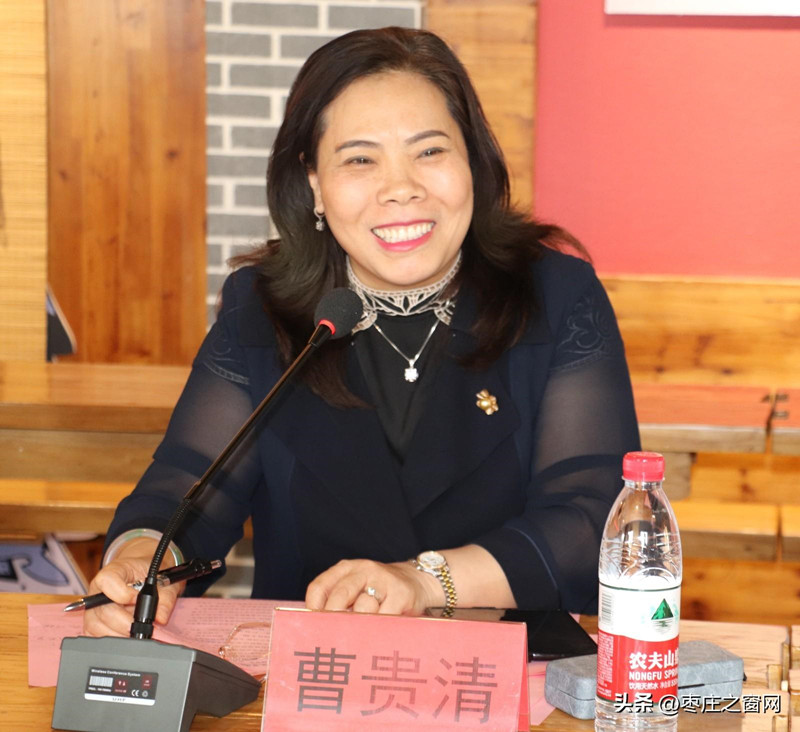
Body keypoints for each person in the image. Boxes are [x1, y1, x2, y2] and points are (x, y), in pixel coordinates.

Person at [84, 26, 640, 638]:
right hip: (312, 669)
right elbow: (187, 486)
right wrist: (141, 560)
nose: (400, 188)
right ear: (315, 185)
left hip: (508, 669)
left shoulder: (555, 294)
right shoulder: (262, 307)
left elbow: (594, 521)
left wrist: (425, 582)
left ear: (473, 163)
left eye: (430, 152)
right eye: (360, 159)